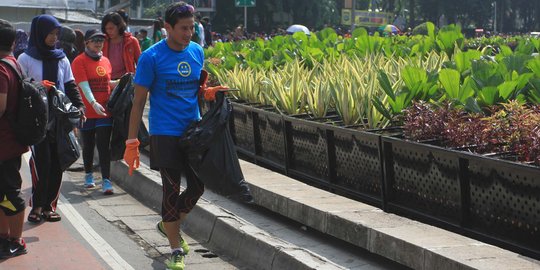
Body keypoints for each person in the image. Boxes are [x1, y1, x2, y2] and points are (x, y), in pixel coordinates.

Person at [123, 2, 225, 269]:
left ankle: (167, 223)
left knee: (198, 187)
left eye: (192, 27)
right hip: (164, 132)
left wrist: (208, 92)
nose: (189, 33)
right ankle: (176, 248)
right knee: (171, 188)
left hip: (192, 132)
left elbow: (196, 89)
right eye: (183, 28)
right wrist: (132, 141)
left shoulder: (196, 51)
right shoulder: (151, 57)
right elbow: (138, 102)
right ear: (167, 27)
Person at [17, 14, 85, 223]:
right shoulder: (25, 58)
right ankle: (36, 205)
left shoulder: (62, 58)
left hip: (60, 119)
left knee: (58, 163)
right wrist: (39, 86)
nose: (54, 38)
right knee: (42, 163)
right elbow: (20, 86)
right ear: (40, 33)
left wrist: (80, 106)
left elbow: (70, 85)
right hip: (37, 120)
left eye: (56, 34)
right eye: (51, 33)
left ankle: (49, 206)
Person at [72, 29, 117, 194]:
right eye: (94, 40)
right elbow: (83, 85)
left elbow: (106, 83)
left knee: (104, 145)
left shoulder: (105, 60)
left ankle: (106, 180)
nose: (98, 43)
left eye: (101, 40)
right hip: (87, 111)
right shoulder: (79, 61)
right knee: (89, 145)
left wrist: (121, 82)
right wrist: (92, 102)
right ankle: (89, 175)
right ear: (86, 42)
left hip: (104, 110)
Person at [0, 19, 28, 259]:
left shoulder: (1, 69)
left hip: (4, 143)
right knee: (3, 192)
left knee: (10, 193)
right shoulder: (14, 63)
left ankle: (16, 241)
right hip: (12, 140)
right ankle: (4, 237)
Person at [101, 12, 141, 80]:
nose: (108, 31)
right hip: (106, 81)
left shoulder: (132, 41)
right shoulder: (102, 41)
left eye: (111, 28)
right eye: (106, 29)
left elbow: (140, 63)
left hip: (126, 82)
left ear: (119, 26)